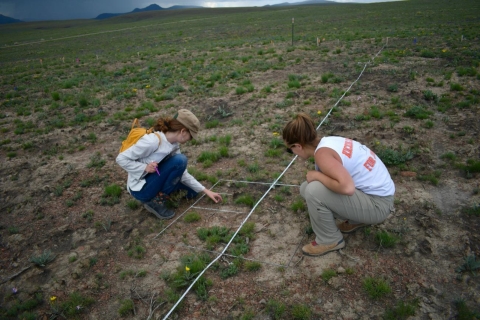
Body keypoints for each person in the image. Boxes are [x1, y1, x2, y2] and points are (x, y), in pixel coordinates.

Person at [282, 113, 395, 256]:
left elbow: (347, 188)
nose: (292, 153)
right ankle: (357, 219)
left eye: (289, 149)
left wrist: (317, 175)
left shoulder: (322, 155)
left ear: (298, 146)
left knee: (313, 190)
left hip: (379, 206)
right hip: (379, 197)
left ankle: (329, 240)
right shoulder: (329, 141)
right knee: (306, 188)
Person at [116, 109, 223, 219]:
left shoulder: (173, 145)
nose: (190, 140)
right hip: (141, 189)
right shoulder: (152, 142)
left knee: (193, 192)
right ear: (183, 131)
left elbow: (182, 173)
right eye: (191, 136)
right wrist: (145, 168)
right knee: (180, 160)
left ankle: (165, 193)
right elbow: (121, 159)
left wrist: (206, 191)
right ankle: (155, 202)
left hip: (155, 179)